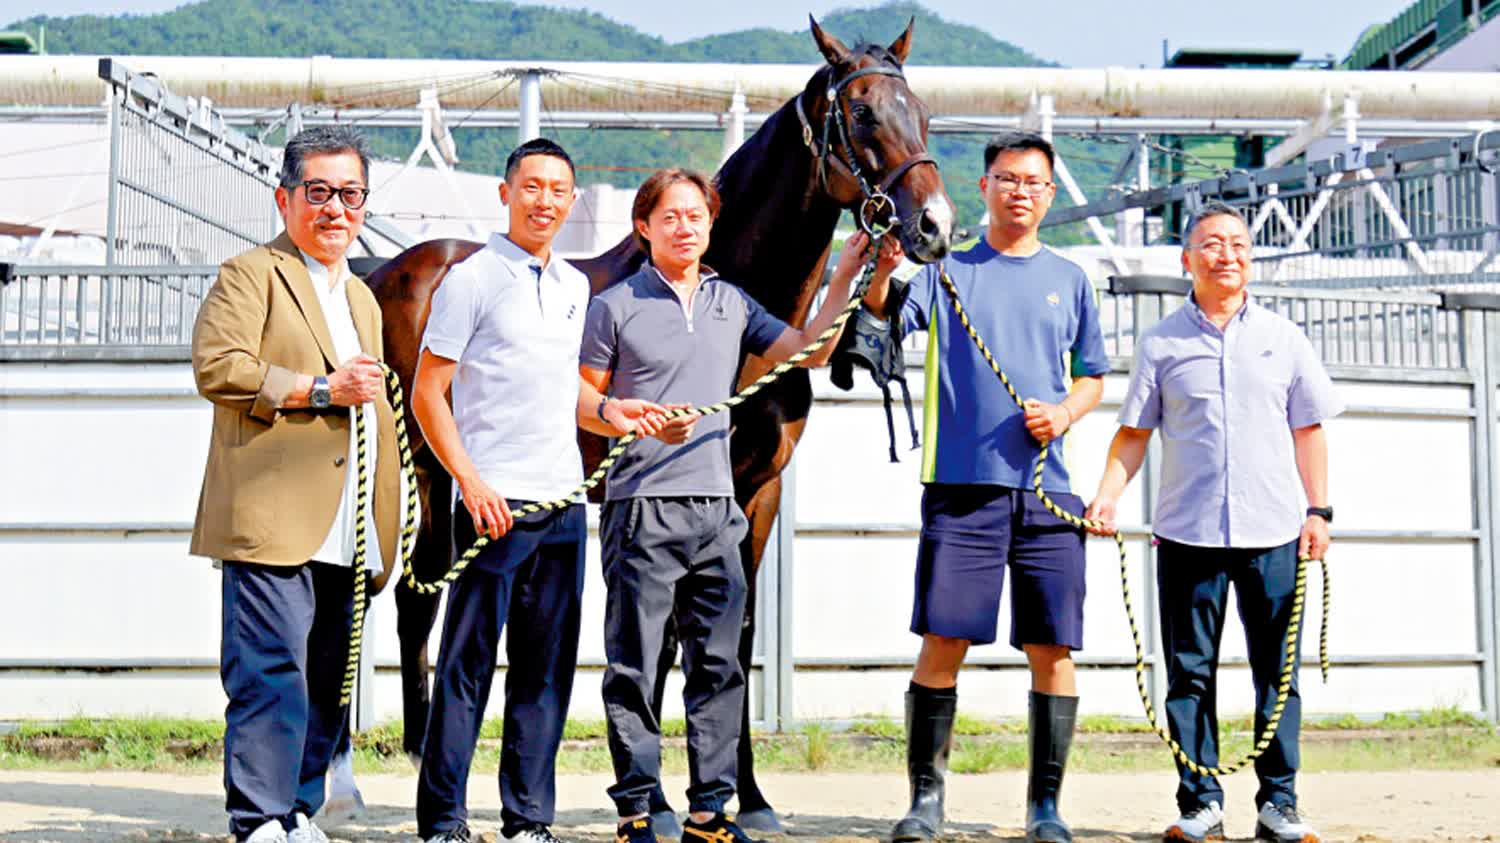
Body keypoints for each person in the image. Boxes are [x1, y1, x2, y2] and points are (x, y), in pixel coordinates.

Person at [578, 168, 896, 843]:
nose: (684, 227)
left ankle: (708, 814)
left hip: (718, 510)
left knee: (717, 666)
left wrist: (842, 279)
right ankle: (636, 810)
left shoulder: (733, 303)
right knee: (634, 665)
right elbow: (581, 399)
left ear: (710, 224)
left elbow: (809, 352)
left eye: (695, 215)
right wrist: (622, 415)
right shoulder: (613, 305)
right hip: (641, 506)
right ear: (644, 227)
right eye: (669, 216)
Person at [410, 139, 666, 843]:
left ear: (572, 200)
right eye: (532, 186)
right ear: (506, 193)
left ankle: (529, 819)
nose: (545, 200)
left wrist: (614, 414)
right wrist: (470, 481)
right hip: (494, 507)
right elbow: (427, 392)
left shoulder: (576, 288)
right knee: (465, 668)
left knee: (545, 674)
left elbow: (569, 400)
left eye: (558, 190)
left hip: (560, 506)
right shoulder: (471, 279)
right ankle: (444, 820)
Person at [864, 131, 1110, 843]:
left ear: (1050, 193)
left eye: (1034, 181)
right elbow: (884, 320)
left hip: (1049, 491)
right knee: (943, 640)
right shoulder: (945, 272)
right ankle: (925, 799)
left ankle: (1046, 807)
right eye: (1007, 179)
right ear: (984, 187)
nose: (1021, 191)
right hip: (962, 488)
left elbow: (1093, 375)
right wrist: (881, 271)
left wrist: (1063, 412)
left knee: (1052, 647)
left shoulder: (1071, 278)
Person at [1084, 201, 1339, 843]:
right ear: (1187, 259)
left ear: (1250, 256)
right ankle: (1200, 803)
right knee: (1188, 673)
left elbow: (1308, 432)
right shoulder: (1162, 342)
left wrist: (1319, 511)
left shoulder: (1284, 338)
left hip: (1275, 533)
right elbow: (1134, 434)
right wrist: (1107, 496)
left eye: (1237, 243)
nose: (1226, 253)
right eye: (1211, 244)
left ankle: (1279, 803)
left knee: (1277, 675)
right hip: (1187, 534)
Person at [191, 125, 406, 843]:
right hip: (274, 517)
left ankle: (297, 811)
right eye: (318, 192)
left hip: (348, 524)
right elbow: (219, 367)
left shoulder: (364, 299)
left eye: (350, 194)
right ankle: (257, 818)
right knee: (269, 677)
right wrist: (320, 388)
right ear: (285, 199)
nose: (335, 209)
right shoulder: (250, 273)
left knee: (326, 683)